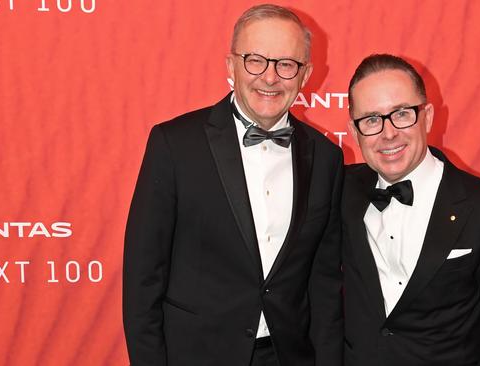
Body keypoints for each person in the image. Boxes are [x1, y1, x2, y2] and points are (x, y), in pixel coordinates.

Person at [123, 5, 343, 366]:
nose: (270, 78)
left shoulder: (326, 158)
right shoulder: (175, 144)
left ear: (306, 75)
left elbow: (325, 288)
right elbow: (142, 280)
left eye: (286, 64)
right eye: (255, 60)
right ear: (231, 66)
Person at [342, 54, 480, 366]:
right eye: (371, 120)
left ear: (427, 116)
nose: (388, 133)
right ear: (354, 132)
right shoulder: (339, 191)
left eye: (402, 113)